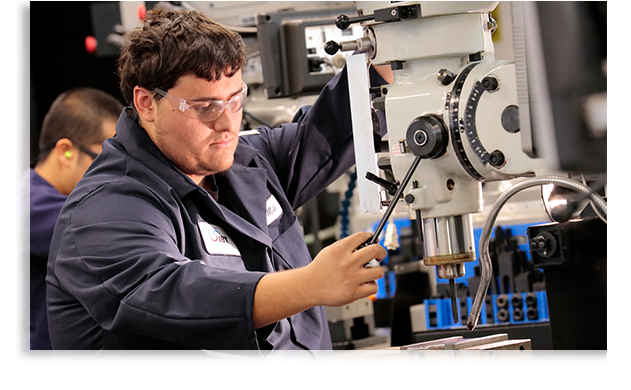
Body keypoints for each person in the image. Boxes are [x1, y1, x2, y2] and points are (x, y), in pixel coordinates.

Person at [46, 7, 388, 363]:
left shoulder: (245, 159)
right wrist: (310, 285)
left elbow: (326, 133)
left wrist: (393, 47)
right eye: (205, 106)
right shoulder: (107, 206)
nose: (227, 124)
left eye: (235, 100)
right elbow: (174, 293)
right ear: (147, 103)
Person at [14, 87, 123, 362]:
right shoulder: (26, 207)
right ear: (66, 152)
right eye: (106, 157)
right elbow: (114, 229)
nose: (118, 172)